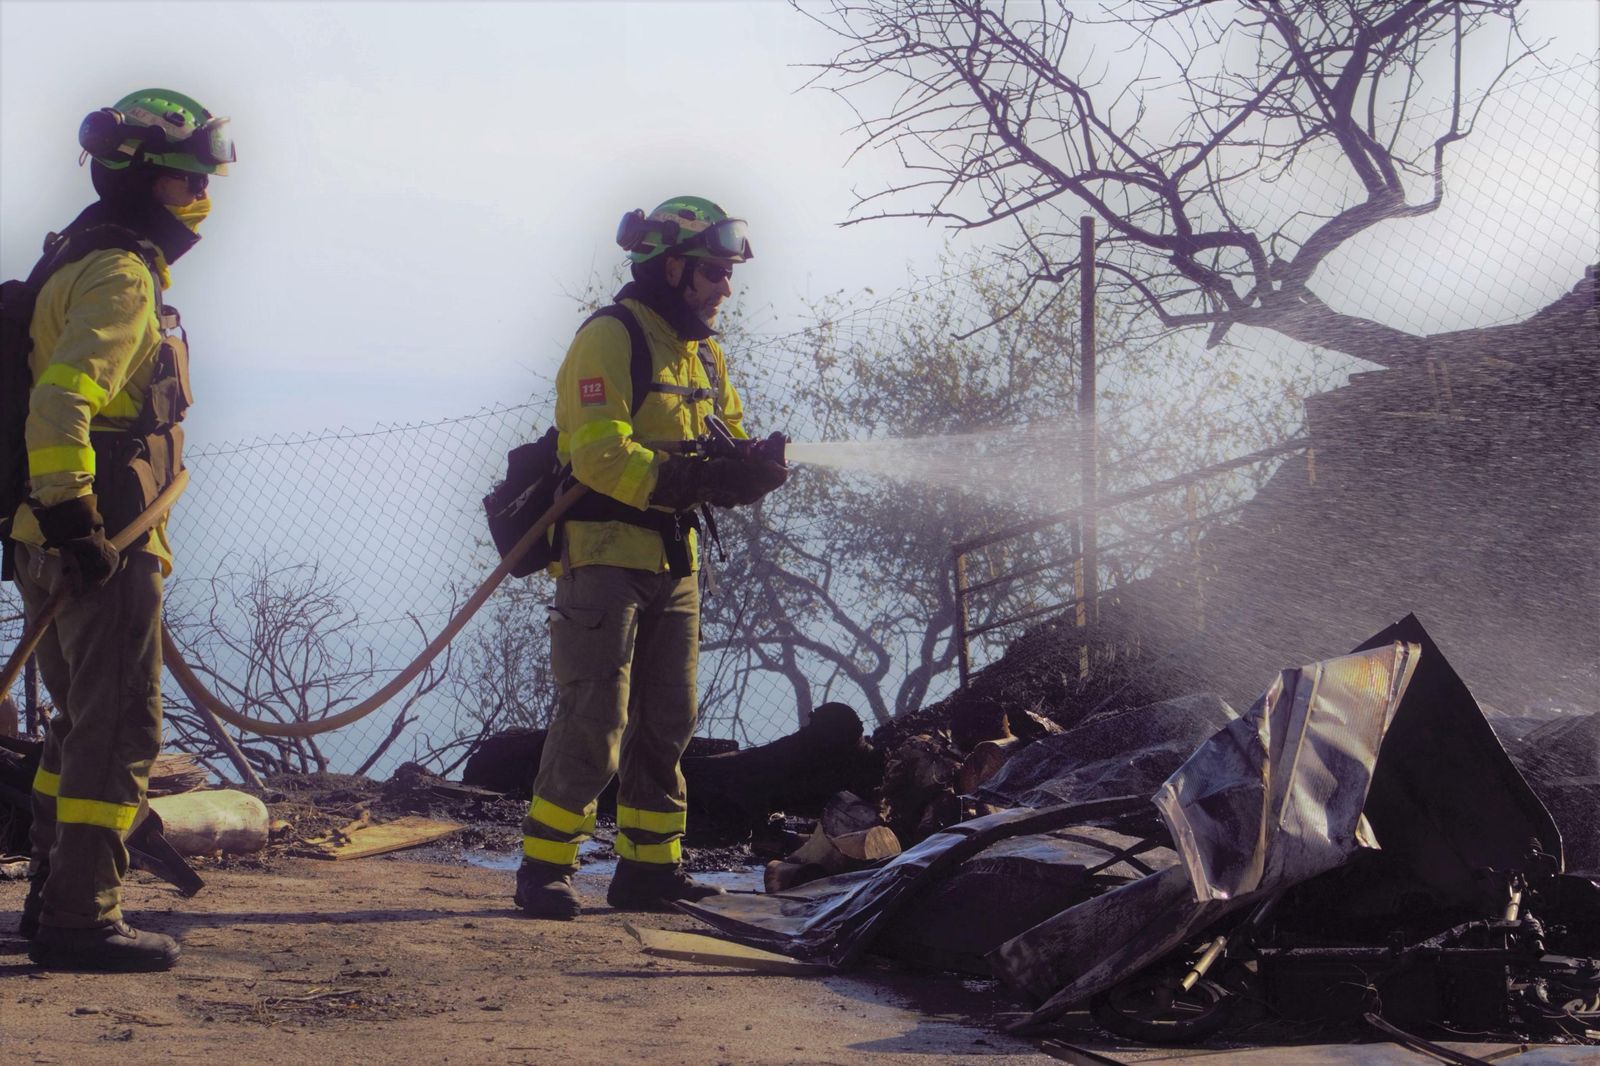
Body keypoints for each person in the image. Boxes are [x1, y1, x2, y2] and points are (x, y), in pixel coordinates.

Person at [515, 196, 788, 919]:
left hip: (676, 560)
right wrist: (687, 479)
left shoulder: (702, 352)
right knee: (594, 718)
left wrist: (749, 469)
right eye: (712, 272)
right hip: (605, 555)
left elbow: (724, 438)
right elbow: (601, 455)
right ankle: (544, 867)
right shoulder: (610, 338)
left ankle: (648, 870)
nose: (725, 287)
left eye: (728, 273)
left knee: (669, 719)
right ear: (669, 268)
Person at [13, 89, 234, 971]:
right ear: (148, 185)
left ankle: (47, 894)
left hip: (53, 532)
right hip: (97, 542)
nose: (200, 200)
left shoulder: (75, 255)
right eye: (189, 182)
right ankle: (83, 918)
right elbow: (64, 400)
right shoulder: (122, 273)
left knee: (75, 724)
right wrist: (76, 522)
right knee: (116, 732)